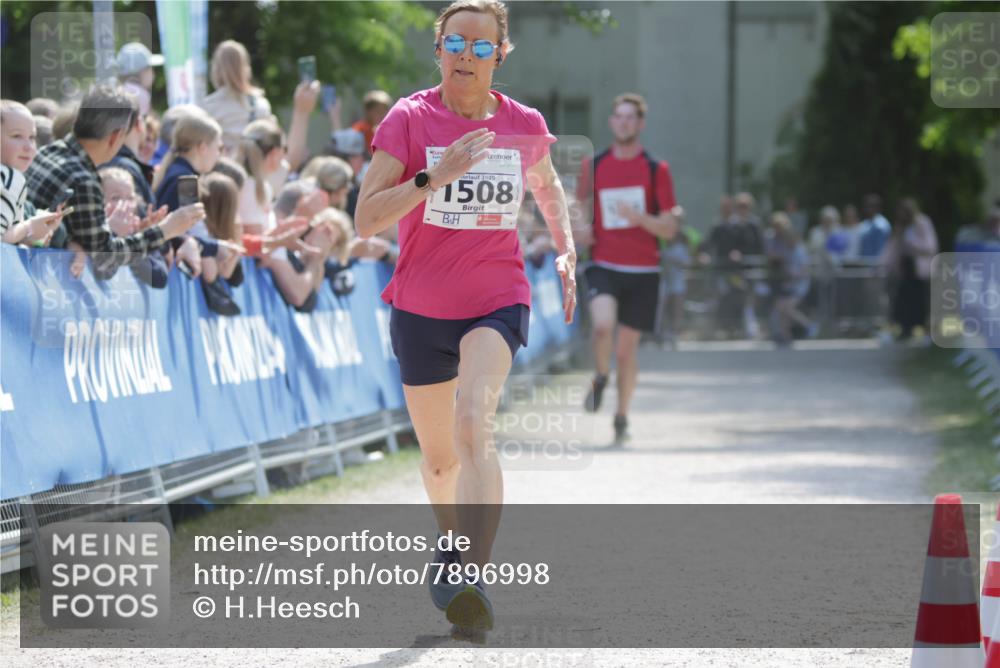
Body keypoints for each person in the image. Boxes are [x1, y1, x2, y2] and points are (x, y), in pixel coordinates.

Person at [354, 0, 576, 634]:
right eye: (456, 43)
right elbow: (367, 218)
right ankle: (452, 548)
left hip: (495, 298)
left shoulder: (523, 123)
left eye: (482, 47)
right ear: (439, 48)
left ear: (500, 56)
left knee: (475, 423)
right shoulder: (408, 119)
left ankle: (473, 575)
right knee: (441, 462)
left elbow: (548, 183)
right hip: (420, 307)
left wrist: (566, 250)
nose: (467, 56)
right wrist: (434, 175)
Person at [575, 92, 679, 443]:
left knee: (626, 351)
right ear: (611, 122)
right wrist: (581, 231)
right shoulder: (594, 165)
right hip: (604, 263)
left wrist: (639, 218)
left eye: (630, 117)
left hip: (643, 270)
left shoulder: (656, 169)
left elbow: (669, 228)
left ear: (640, 124)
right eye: (618, 116)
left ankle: (621, 416)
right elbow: (577, 213)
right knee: (602, 328)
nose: (623, 122)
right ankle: (601, 376)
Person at [25, 85, 203, 279]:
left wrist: (142, 231)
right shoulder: (83, 181)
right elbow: (105, 257)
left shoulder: (46, 152)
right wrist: (165, 231)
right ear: (116, 137)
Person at [0, 100, 65, 245]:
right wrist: (28, 226)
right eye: (16, 136)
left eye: (32, 138)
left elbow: (8, 238)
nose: (29, 147)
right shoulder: (9, 177)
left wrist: (37, 233)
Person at [201, 40, 273, 155]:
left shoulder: (208, 107)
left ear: (216, 69)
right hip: (256, 170)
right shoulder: (261, 105)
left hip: (222, 169)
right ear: (246, 67)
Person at [882, 198, 938, 341]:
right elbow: (892, 247)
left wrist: (911, 244)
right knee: (903, 300)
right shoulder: (901, 227)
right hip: (904, 270)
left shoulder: (922, 223)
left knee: (921, 301)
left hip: (918, 270)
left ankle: (926, 331)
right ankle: (906, 328)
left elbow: (930, 247)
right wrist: (884, 264)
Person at [766, 212, 817, 347]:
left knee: (786, 308)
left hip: (799, 284)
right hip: (789, 283)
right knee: (780, 308)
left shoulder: (799, 250)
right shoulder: (786, 249)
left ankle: (809, 326)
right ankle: (785, 335)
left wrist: (795, 275)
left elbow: (805, 268)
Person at [116, 42, 163, 116]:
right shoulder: (140, 95)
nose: (153, 74)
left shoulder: (118, 91)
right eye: (149, 69)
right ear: (141, 71)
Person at [352, 90, 393, 155]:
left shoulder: (380, 130)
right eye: (378, 111)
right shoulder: (359, 129)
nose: (382, 115)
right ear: (368, 111)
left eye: (385, 111)